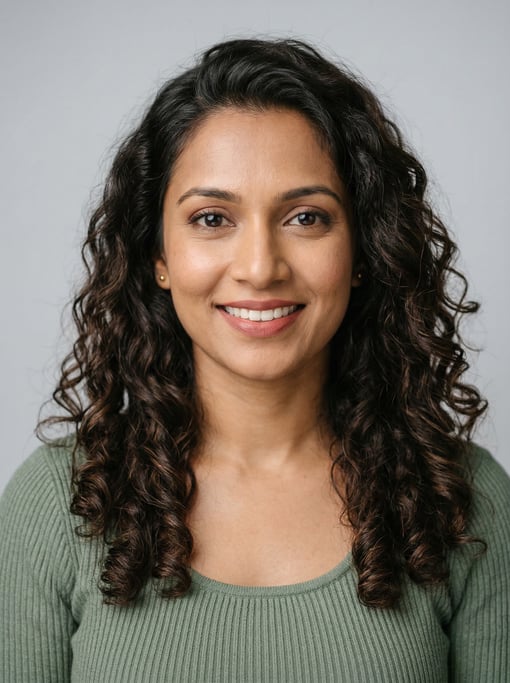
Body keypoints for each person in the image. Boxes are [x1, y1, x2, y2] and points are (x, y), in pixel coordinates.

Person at [1, 38, 509, 683]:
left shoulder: (464, 501)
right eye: (212, 218)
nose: (261, 267)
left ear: (362, 251)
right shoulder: (56, 504)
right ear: (158, 256)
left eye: (305, 217)